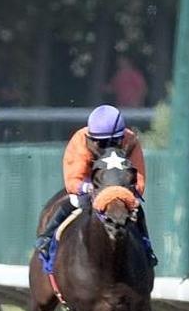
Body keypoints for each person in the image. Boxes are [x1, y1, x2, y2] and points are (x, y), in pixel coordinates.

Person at [37, 104, 157, 266]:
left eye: (115, 141)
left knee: (137, 210)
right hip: (89, 181)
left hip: (120, 184)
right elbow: (73, 180)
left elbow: (139, 178)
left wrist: (129, 194)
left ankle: (146, 247)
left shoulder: (130, 141)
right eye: (102, 143)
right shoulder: (81, 140)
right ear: (92, 139)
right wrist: (87, 189)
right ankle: (47, 239)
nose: (109, 146)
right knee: (74, 201)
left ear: (122, 137)